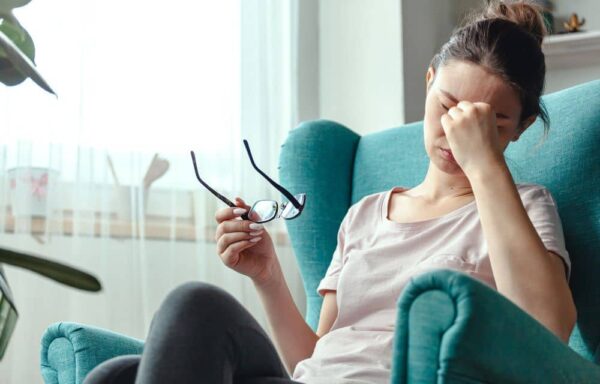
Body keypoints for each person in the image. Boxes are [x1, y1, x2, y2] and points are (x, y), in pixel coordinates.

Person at [84, 1, 576, 383]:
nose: (455, 132)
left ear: (521, 127)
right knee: (114, 376)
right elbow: (317, 357)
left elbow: (547, 327)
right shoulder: (364, 215)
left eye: (489, 122)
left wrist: (485, 164)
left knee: (192, 305)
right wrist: (269, 276)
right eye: (446, 106)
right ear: (428, 82)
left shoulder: (525, 208)